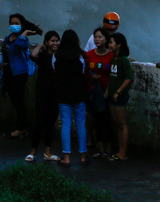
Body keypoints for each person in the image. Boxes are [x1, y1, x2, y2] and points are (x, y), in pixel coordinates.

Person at [2, 13, 42, 139]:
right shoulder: (8, 37)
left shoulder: (23, 39)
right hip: (9, 72)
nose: (13, 25)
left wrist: (25, 33)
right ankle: (22, 127)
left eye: (16, 23)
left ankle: (20, 128)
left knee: (18, 100)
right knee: (14, 99)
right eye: (11, 23)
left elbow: (21, 45)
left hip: (19, 73)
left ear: (21, 25)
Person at [53, 29, 90, 166]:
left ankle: (66, 157)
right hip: (79, 93)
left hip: (63, 94)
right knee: (81, 124)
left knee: (66, 124)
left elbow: (55, 73)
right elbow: (85, 73)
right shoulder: (81, 56)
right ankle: (83, 156)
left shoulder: (56, 56)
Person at [25, 31, 61, 162]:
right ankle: (32, 152)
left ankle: (47, 152)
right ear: (47, 42)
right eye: (52, 41)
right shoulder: (43, 55)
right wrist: (40, 46)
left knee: (50, 123)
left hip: (55, 94)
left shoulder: (59, 57)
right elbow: (32, 55)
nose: (55, 43)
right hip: (42, 93)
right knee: (39, 122)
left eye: (57, 40)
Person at [85, 27, 115, 159]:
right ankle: (100, 147)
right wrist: (91, 78)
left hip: (107, 93)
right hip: (93, 93)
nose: (97, 39)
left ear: (106, 40)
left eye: (100, 37)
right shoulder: (89, 55)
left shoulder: (111, 56)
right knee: (96, 119)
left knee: (108, 121)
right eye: (95, 37)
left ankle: (109, 147)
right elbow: (84, 73)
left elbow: (114, 74)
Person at [106, 32, 134, 161]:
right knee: (116, 124)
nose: (109, 45)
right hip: (112, 95)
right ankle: (119, 151)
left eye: (111, 42)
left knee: (122, 124)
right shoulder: (114, 59)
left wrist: (118, 92)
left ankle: (123, 153)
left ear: (118, 45)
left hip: (119, 96)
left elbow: (129, 78)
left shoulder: (123, 60)